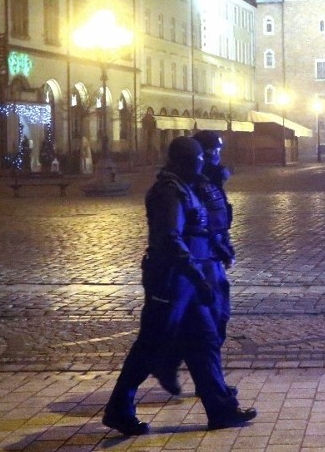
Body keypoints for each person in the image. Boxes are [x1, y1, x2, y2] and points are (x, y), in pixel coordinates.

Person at [102, 136, 256, 436]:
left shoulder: (186, 187)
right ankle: (119, 408)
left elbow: (203, 228)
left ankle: (220, 408)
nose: (200, 167)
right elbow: (170, 238)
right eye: (195, 162)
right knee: (149, 346)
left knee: (205, 342)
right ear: (180, 162)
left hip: (189, 281)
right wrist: (198, 277)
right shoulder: (167, 192)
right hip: (171, 281)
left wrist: (214, 256)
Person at [152, 130, 237, 396]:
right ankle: (198, 380)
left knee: (212, 323)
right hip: (197, 262)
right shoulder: (184, 184)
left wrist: (224, 243)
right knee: (205, 325)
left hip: (210, 257)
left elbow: (218, 216)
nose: (218, 156)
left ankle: (210, 386)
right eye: (213, 151)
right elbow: (191, 225)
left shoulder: (209, 178)